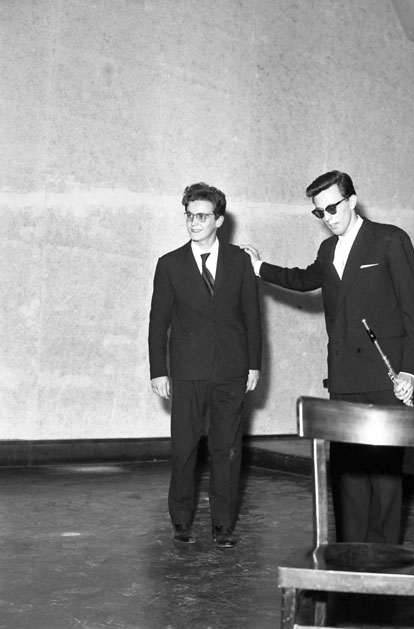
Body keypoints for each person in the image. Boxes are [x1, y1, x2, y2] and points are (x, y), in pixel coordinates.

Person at [241, 170, 414, 544]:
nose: (327, 218)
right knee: (348, 474)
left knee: (385, 474)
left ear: (352, 201)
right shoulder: (328, 251)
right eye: (319, 212)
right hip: (343, 378)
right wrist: (259, 267)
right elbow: (302, 279)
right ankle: (350, 552)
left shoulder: (390, 240)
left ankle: (386, 555)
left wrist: (409, 371)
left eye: (332, 208)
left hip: (386, 379)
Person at [148, 182, 262, 548]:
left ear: (219, 220)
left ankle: (223, 525)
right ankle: (181, 520)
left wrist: (254, 365)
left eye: (202, 216)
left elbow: (252, 317)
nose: (194, 222)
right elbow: (157, 323)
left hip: (231, 369)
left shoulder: (240, 262)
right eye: (189, 216)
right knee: (184, 449)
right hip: (187, 371)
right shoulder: (169, 264)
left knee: (226, 450)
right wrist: (158, 370)